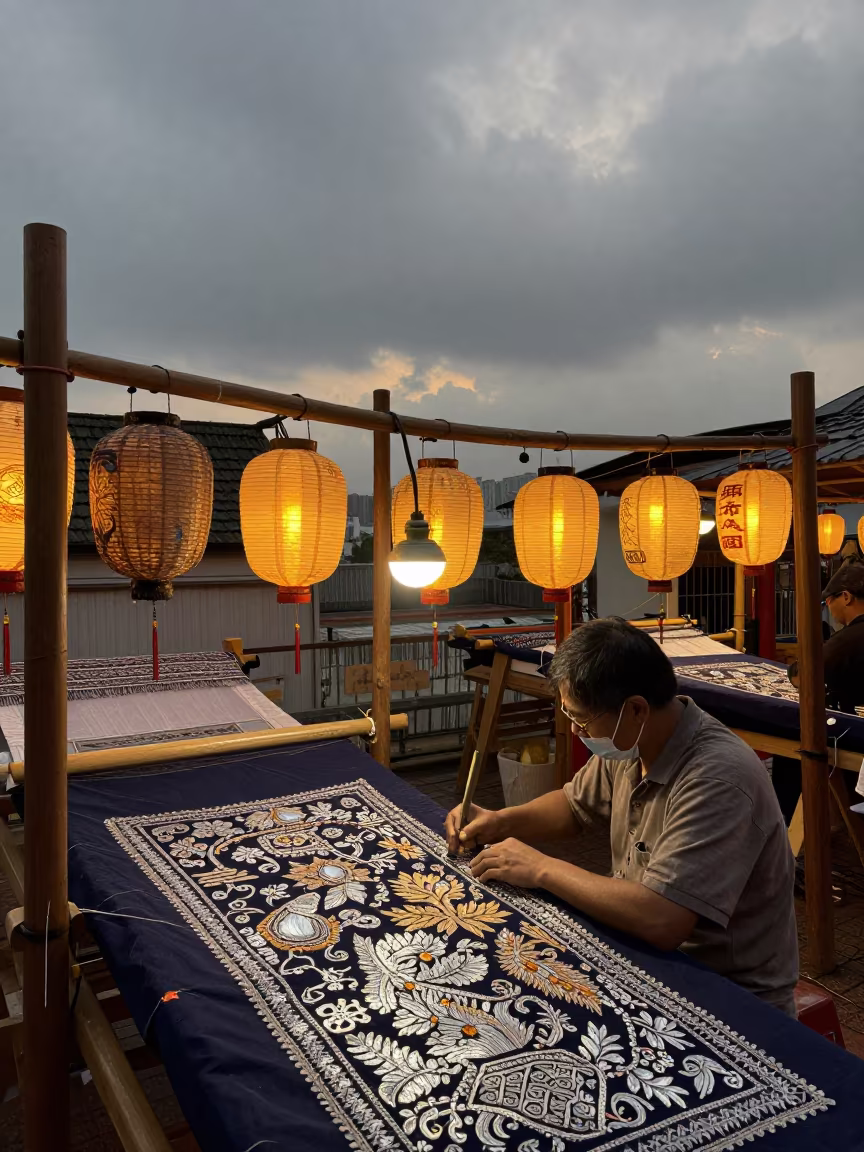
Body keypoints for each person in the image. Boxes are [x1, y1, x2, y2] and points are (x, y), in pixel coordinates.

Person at [445, 617, 798, 1015]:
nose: (577, 732)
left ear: (635, 709)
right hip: (646, 954)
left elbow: (662, 919)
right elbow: (573, 805)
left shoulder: (718, 778)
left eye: (581, 720)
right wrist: (500, 820)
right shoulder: (636, 741)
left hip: (726, 993)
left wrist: (541, 869)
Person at [775, 559, 864, 822]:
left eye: (829, 601)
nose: (829, 608)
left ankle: (785, 823)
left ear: (846, 597)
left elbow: (805, 676)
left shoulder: (850, 638)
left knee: (792, 744)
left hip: (857, 729)